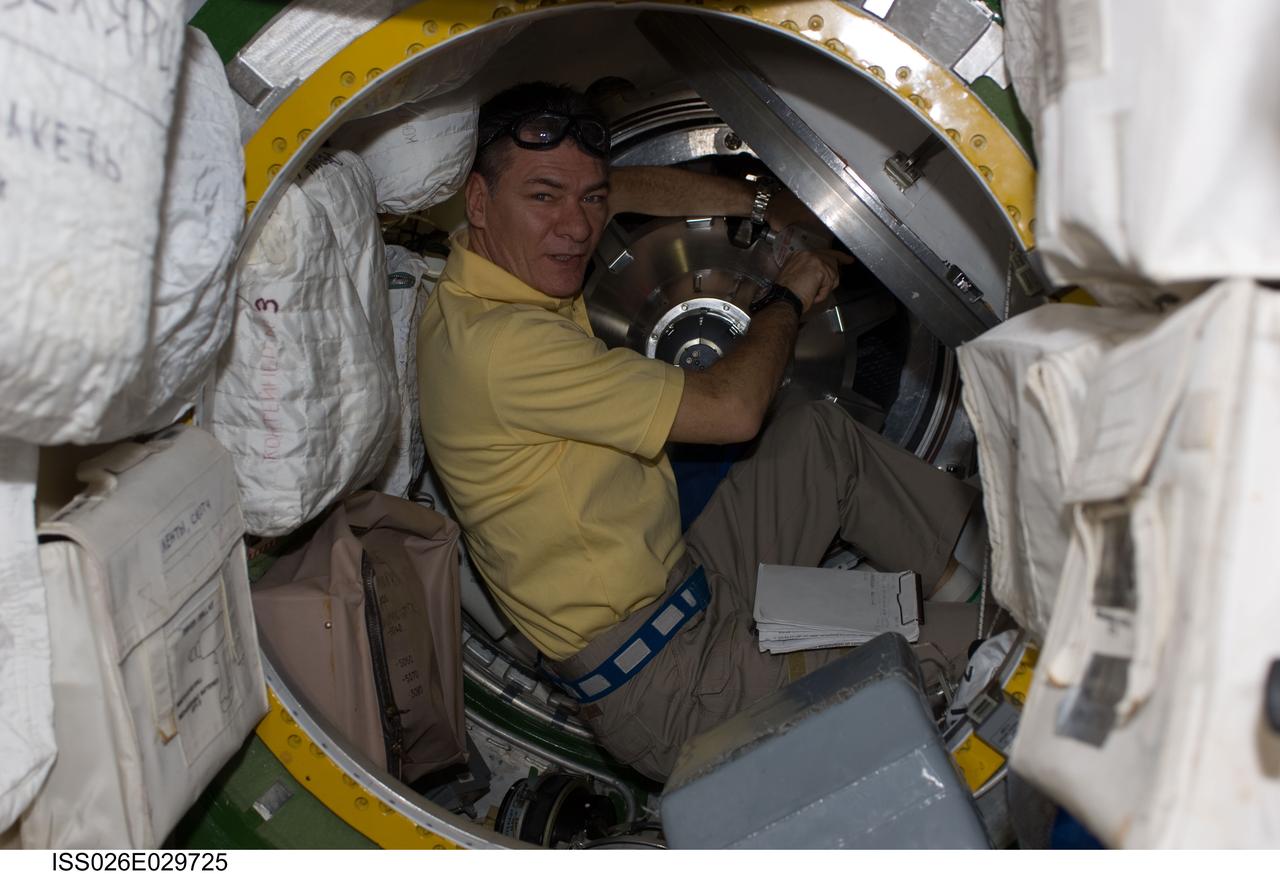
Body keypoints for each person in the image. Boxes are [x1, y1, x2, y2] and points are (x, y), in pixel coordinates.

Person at [418, 83, 986, 781]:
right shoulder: (500, 349)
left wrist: (764, 205)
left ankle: (960, 583)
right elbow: (731, 411)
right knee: (980, 645)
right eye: (544, 198)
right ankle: (967, 624)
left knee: (816, 439)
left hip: (696, 586)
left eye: (588, 200)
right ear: (479, 200)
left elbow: (624, 187)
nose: (575, 227)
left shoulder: (483, 274)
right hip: (673, 688)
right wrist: (787, 297)